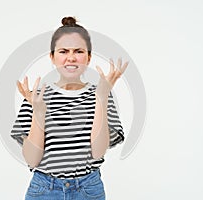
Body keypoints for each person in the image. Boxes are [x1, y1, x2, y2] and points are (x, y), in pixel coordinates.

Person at [11, 16, 129, 200]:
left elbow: (98, 152)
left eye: (79, 51)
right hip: (44, 190)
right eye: (64, 51)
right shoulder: (35, 97)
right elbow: (32, 160)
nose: (71, 58)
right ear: (52, 56)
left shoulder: (102, 94)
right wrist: (39, 113)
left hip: (88, 190)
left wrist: (101, 97)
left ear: (88, 57)